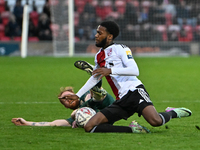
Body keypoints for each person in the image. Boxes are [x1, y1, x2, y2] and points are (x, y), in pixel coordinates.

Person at [63, 20, 192, 133]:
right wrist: (78, 95)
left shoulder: (121, 49)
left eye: (99, 33)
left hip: (134, 91)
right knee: (89, 126)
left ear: (109, 36)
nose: (96, 36)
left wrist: (110, 70)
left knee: (156, 121)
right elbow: (95, 77)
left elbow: (135, 70)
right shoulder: (98, 56)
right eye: (96, 32)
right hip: (121, 99)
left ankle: (172, 112)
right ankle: (134, 129)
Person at [11, 61, 115, 127]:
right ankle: (96, 83)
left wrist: (76, 113)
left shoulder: (83, 96)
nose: (68, 100)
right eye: (64, 100)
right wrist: (27, 123)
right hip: (106, 119)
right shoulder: (76, 115)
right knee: (86, 106)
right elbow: (53, 124)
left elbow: (88, 99)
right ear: (65, 106)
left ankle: (96, 83)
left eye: (68, 96)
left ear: (74, 95)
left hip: (110, 105)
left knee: (94, 97)